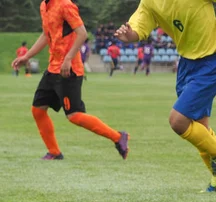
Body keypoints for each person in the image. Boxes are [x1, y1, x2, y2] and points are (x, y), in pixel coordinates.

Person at [115, 0, 216, 192]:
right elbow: (138, 28)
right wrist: (129, 35)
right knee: (200, 128)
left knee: (177, 121)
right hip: (186, 64)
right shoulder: (150, 2)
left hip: (212, 62)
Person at [11, 0, 128, 161]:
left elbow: (82, 33)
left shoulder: (65, 4)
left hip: (69, 70)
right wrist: (27, 56)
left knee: (74, 116)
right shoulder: (44, 6)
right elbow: (47, 35)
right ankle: (54, 152)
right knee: (38, 110)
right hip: (53, 68)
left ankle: (117, 137)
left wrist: (68, 58)